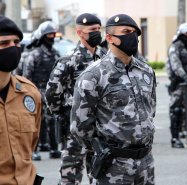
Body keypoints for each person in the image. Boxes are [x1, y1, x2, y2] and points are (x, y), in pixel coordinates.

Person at [71, 14, 156, 185]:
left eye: (134, 33)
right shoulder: (93, 75)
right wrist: (103, 150)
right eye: (126, 32)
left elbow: (150, 110)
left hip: (145, 163)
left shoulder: (146, 71)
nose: (133, 37)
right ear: (110, 38)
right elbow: (80, 126)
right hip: (113, 165)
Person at [45, 13, 105, 185]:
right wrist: (63, 113)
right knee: (70, 177)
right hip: (74, 130)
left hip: (99, 128)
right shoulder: (68, 60)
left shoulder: (103, 58)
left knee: (100, 175)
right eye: (92, 30)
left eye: (99, 29)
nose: (97, 33)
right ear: (80, 33)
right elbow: (52, 93)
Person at [0, 15, 42, 185]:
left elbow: (30, 146)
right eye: (4, 43)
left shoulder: (29, 93)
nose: (13, 48)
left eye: (16, 43)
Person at [23, 21, 61, 160]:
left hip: (52, 92)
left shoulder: (56, 54)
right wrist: (29, 94)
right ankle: (35, 149)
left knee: (53, 120)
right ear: (43, 36)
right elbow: (27, 76)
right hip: (36, 91)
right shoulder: (34, 54)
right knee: (37, 121)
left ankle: (54, 148)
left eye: (53, 34)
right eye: (49, 34)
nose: (51, 37)